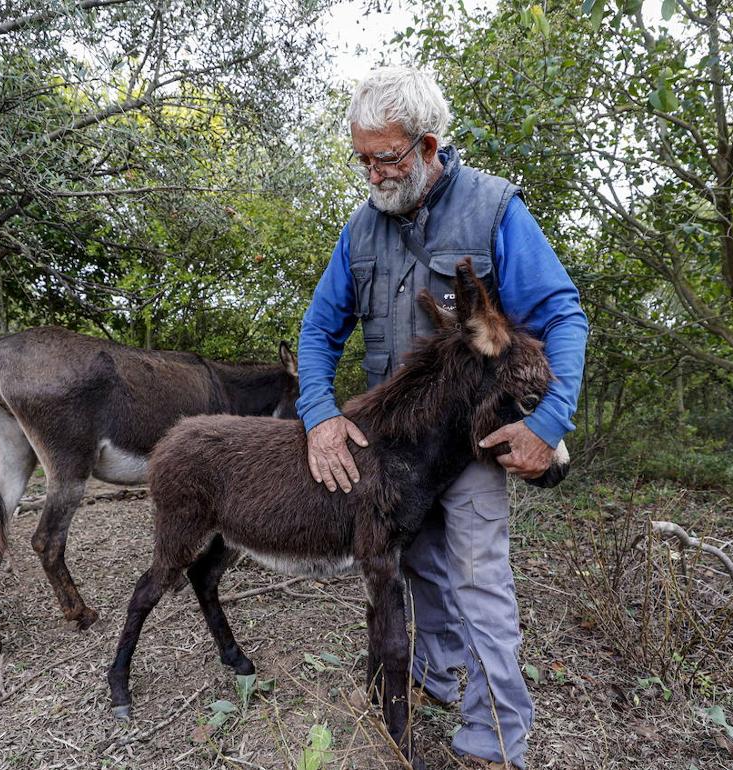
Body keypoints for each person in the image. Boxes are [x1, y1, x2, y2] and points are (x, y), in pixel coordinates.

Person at [296, 66, 588, 770]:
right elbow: (317, 332)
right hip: (394, 448)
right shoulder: (360, 230)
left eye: (386, 157)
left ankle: (493, 739)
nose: (373, 173)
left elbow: (561, 315)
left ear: (428, 146)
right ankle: (433, 675)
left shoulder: (494, 209)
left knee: (479, 578)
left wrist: (547, 424)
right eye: (361, 158)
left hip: (469, 445)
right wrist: (319, 415)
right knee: (420, 566)